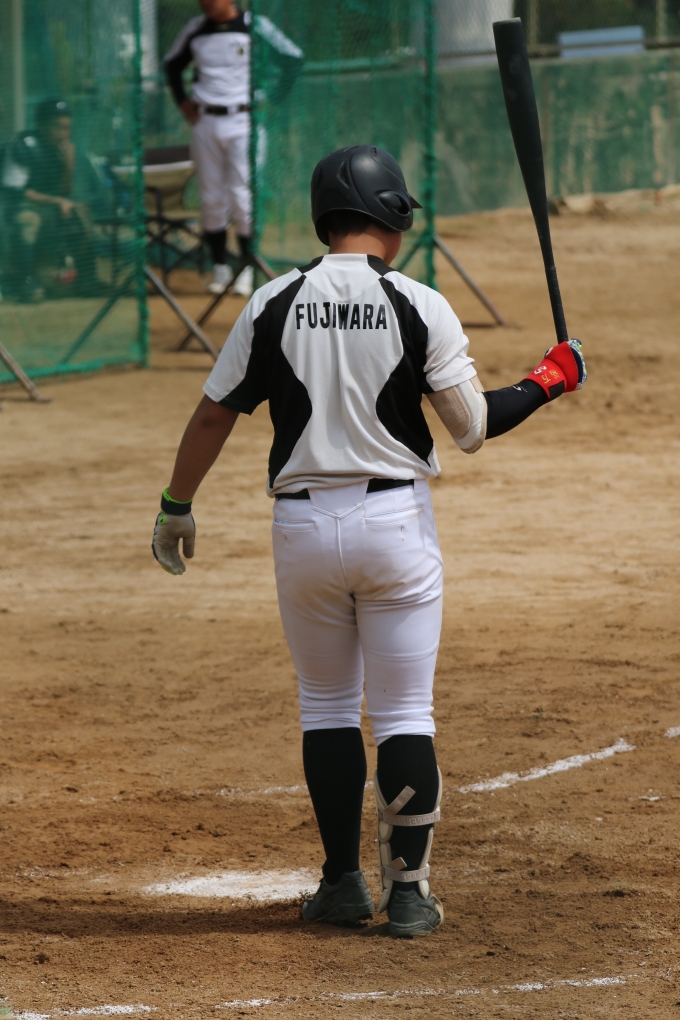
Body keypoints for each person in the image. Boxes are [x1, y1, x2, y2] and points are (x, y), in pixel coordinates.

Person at [151, 145, 587, 938]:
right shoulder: (418, 302)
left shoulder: (272, 300)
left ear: (325, 215)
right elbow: (471, 427)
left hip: (302, 531)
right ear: (391, 214)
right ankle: (410, 895)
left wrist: (176, 503)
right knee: (404, 712)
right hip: (395, 529)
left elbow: (214, 414)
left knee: (326, 708)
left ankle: (342, 884)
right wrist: (550, 379)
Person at [164, 0, 303, 296]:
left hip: (243, 120)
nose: (206, 3)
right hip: (205, 121)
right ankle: (220, 268)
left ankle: (246, 267)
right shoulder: (196, 29)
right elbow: (171, 65)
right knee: (210, 196)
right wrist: (182, 102)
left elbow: (293, 58)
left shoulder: (255, 26)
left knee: (241, 193)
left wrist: (273, 100)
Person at [1, 98, 99, 302]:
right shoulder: (22, 145)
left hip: (49, 207)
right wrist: (57, 201)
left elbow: (64, 191)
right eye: (57, 127)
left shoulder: (61, 149)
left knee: (80, 211)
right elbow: (17, 192)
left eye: (67, 128)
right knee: (27, 220)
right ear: (41, 125)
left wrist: (69, 164)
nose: (63, 133)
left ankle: (88, 280)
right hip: (17, 207)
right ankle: (26, 283)